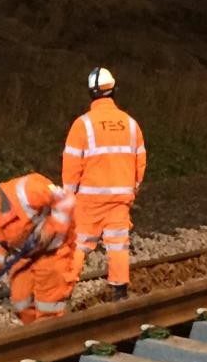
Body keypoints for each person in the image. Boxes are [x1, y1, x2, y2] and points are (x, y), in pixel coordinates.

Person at [63, 67, 147, 301]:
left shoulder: (83, 125)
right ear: (113, 91)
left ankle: (64, 291)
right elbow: (140, 161)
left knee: (79, 243)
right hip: (121, 198)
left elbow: (71, 166)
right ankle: (119, 293)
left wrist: (69, 197)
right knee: (118, 244)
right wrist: (133, 189)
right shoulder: (131, 124)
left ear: (91, 94)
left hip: (89, 199)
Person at [0, 173, 78, 324]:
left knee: (49, 309)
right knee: (21, 303)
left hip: (53, 253)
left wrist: (50, 230)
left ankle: (53, 339)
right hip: (24, 255)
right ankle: (34, 337)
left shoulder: (28, 189)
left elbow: (66, 200)